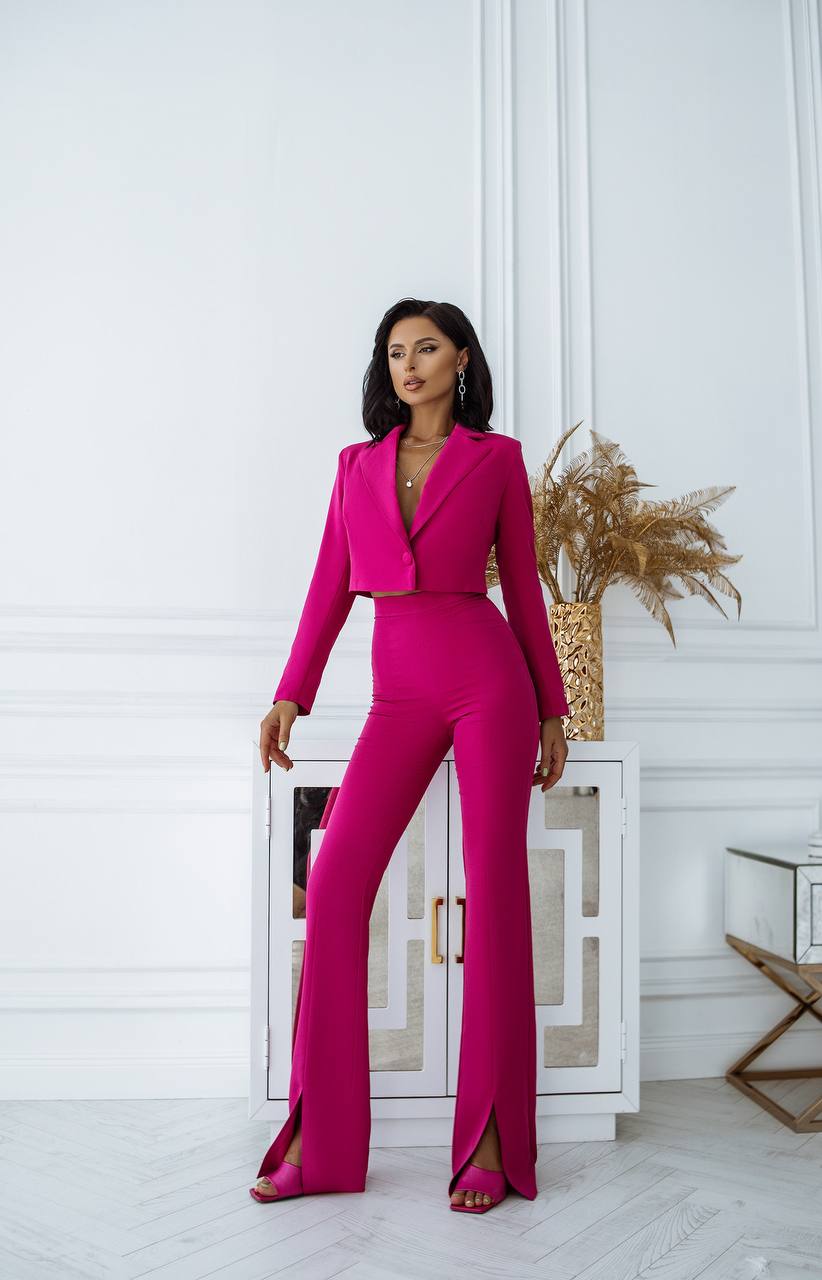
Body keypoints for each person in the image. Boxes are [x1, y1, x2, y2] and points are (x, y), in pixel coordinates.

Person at [252, 298, 569, 1215]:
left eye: (426, 348)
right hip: (398, 697)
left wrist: (551, 709)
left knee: (497, 891)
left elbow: (528, 596)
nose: (409, 364)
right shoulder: (355, 467)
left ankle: (495, 1143)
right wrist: (291, 693)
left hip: (488, 687)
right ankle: (321, 1141)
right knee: (339, 878)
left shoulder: (497, 461)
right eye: (395, 352)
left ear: (461, 358)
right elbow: (327, 590)